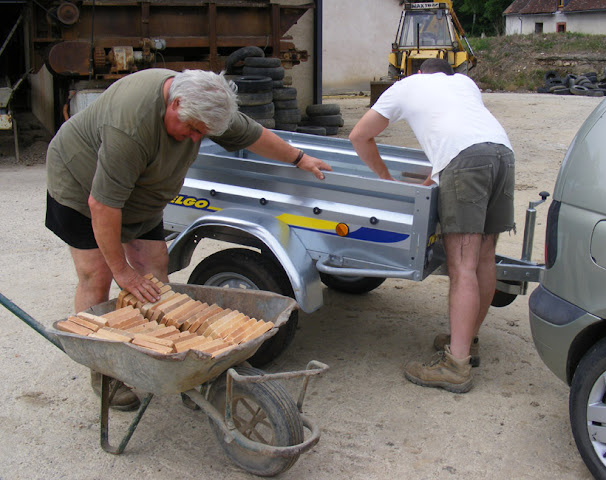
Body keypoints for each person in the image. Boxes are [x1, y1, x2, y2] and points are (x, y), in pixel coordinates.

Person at [45, 68, 332, 409]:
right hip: (81, 185)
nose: (196, 138)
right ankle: (104, 372)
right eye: (193, 129)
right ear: (174, 103)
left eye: (204, 133)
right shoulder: (130, 127)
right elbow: (103, 205)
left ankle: (164, 358)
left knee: (154, 267)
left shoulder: (204, 104)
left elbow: (252, 134)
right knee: (98, 274)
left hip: (142, 192)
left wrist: (299, 158)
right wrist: (123, 273)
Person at [349, 58, 515, 393]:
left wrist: (385, 179)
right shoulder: (464, 84)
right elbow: (462, 132)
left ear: (419, 73)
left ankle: (456, 365)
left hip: (467, 163)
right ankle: (467, 341)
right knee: (483, 258)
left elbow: (359, 136)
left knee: (462, 266)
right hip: (502, 154)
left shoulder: (406, 85)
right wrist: (432, 178)